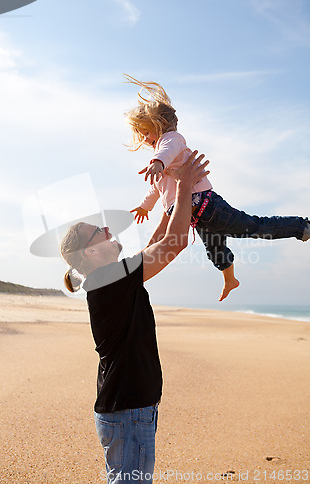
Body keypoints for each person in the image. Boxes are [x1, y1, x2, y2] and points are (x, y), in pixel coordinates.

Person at [60, 152, 210, 484]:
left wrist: (171, 202)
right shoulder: (109, 279)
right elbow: (176, 242)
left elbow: (158, 242)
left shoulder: (109, 278)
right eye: (99, 230)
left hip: (126, 407)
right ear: (90, 252)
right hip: (127, 409)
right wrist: (184, 186)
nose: (108, 228)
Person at [125, 75, 310, 301]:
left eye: (146, 132)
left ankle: (302, 227)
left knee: (255, 226)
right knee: (215, 252)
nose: (144, 139)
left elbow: (167, 151)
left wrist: (157, 162)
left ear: (159, 126)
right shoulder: (162, 160)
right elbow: (156, 188)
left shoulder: (171, 140)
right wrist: (145, 206)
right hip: (197, 217)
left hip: (208, 207)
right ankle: (230, 280)